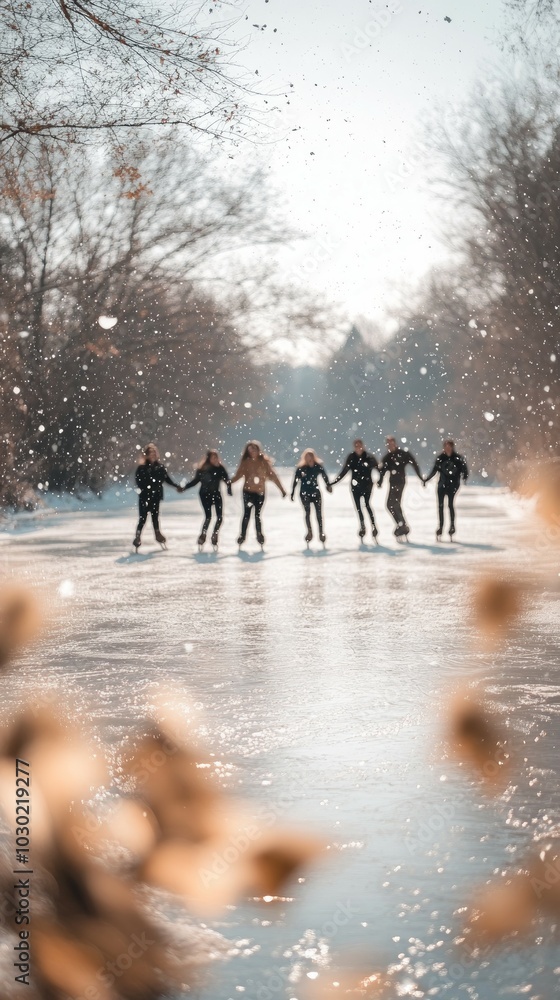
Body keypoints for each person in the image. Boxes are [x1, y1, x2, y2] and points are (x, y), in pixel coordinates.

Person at [231, 440, 287, 547]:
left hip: (260, 493)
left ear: (258, 450)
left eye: (254, 449)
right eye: (250, 450)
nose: (252, 452)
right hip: (247, 492)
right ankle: (242, 536)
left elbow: (273, 476)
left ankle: (259, 535)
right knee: (246, 514)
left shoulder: (264, 462)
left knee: (257, 515)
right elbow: (238, 475)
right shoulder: (245, 462)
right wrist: (229, 482)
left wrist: (282, 490)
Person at [133, 443, 182, 550]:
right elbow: (138, 482)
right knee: (143, 518)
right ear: (146, 455)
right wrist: (147, 489)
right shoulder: (141, 468)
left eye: (154, 453)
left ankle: (157, 535)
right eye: (151, 453)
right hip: (145, 497)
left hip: (156, 496)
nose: (153, 455)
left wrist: (176, 486)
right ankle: (137, 537)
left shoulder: (160, 467)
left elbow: (167, 479)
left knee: (155, 518)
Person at [182, 449, 232, 549]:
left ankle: (215, 534)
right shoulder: (203, 469)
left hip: (216, 494)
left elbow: (227, 480)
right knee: (208, 517)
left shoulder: (220, 468)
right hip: (205, 495)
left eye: (216, 457)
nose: (215, 459)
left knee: (219, 517)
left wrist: (229, 489)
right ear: (208, 459)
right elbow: (195, 481)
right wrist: (184, 487)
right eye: (213, 458)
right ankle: (203, 535)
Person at [331, 438, 379, 541]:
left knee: (367, 504)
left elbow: (378, 469)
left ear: (363, 446)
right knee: (358, 508)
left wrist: (380, 481)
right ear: (354, 447)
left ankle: (374, 526)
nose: (358, 448)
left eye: (360, 446)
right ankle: (362, 526)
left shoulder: (369, 457)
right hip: (355, 487)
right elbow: (344, 471)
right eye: (356, 446)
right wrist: (333, 482)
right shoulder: (351, 457)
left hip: (367, 486)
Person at [378, 435, 424, 540]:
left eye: (392, 443)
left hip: (400, 482)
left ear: (395, 443)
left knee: (393, 504)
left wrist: (421, 477)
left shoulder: (403, 454)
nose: (390, 446)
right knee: (391, 505)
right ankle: (401, 525)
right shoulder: (387, 457)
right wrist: (380, 482)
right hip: (392, 482)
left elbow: (414, 464)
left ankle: (402, 525)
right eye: (388, 444)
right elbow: (383, 471)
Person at [424, 438, 468, 540]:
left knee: (450, 505)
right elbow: (434, 470)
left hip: (453, 486)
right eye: (446, 446)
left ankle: (452, 527)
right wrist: (427, 479)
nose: (447, 449)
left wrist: (465, 477)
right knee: (440, 507)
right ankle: (440, 527)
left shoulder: (457, 458)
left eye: (449, 447)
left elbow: (464, 470)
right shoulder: (441, 458)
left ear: (452, 447)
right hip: (442, 485)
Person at [291, 448, 332, 545]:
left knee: (319, 513)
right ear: (304, 457)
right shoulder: (301, 468)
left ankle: (321, 532)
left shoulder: (318, 466)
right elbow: (295, 481)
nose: (309, 458)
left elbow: (324, 476)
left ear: (314, 457)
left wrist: (328, 485)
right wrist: (292, 492)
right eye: (307, 456)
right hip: (304, 493)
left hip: (315, 492)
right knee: (307, 512)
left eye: (310, 456)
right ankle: (309, 532)